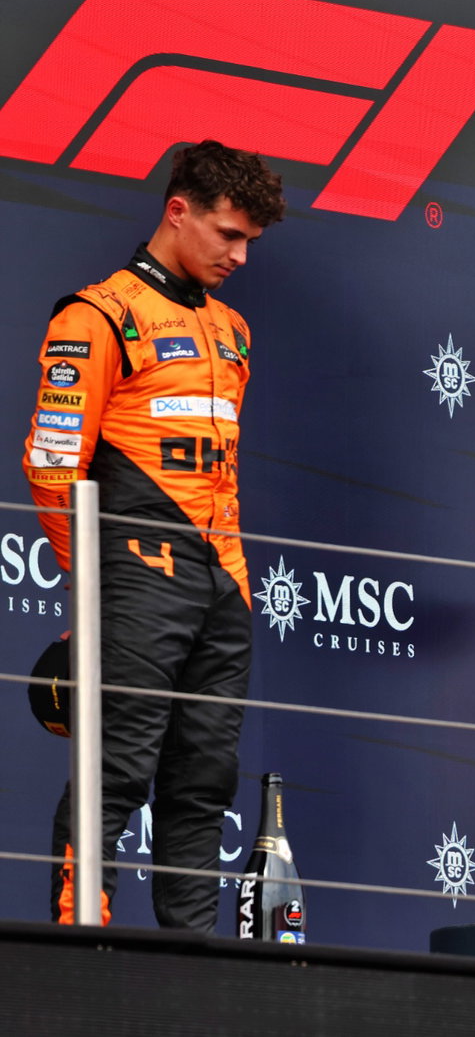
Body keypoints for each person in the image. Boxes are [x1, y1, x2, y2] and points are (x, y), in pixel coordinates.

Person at [22, 140, 285, 929]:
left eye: (249, 242)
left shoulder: (234, 330)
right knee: (117, 769)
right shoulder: (98, 315)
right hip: (137, 570)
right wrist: (91, 585)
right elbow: (51, 464)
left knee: (204, 780)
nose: (239, 256)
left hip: (225, 577)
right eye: (227, 235)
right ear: (179, 211)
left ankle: (193, 967)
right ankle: (82, 946)